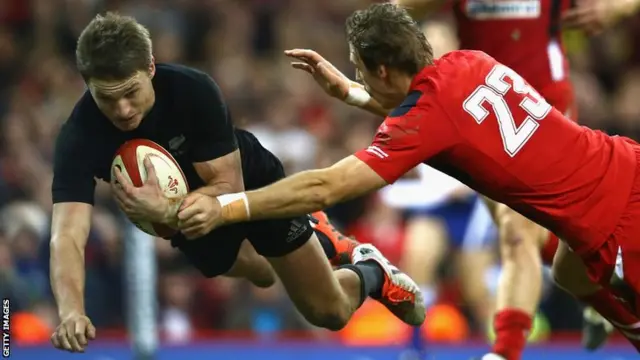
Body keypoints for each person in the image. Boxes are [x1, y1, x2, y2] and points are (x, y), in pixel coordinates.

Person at [177, 4, 640, 358]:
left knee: (573, 266)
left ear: (382, 69)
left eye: (360, 70)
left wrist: (227, 207)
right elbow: (438, 123)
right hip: (625, 166)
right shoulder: (468, 62)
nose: (360, 77)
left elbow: (326, 188)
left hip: (616, 221)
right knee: (566, 270)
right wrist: (353, 94)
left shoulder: (425, 117)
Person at [48, 12, 426, 353]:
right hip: (186, 223)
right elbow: (66, 234)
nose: (123, 110)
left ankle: (371, 271)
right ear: (87, 85)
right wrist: (71, 311)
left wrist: (165, 210)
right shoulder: (79, 137)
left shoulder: (192, 90)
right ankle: (318, 234)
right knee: (263, 274)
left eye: (130, 93)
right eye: (106, 99)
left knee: (329, 312)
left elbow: (227, 190)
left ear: (149, 68)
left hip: (250, 188)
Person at [391, 0, 640, 355]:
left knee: (526, 234)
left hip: (546, 107)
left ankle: (506, 350)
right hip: (484, 110)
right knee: (540, 242)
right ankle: (602, 302)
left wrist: (617, 8)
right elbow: (399, 12)